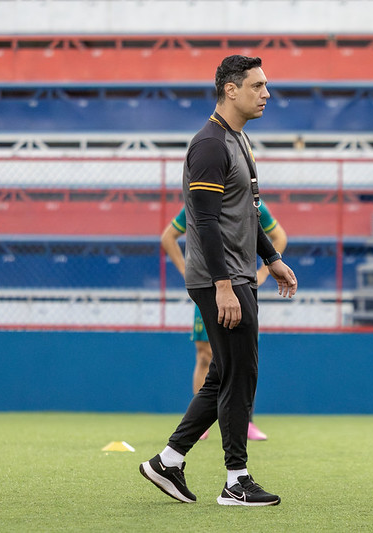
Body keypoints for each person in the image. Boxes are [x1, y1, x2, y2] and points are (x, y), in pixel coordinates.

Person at [139, 55, 297, 506]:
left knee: (225, 372)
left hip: (235, 273)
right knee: (240, 373)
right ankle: (236, 481)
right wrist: (225, 285)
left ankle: (168, 460)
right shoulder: (209, 144)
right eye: (258, 85)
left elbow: (245, 214)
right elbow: (204, 223)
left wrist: (273, 257)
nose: (267, 93)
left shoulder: (238, 140)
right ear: (230, 89)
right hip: (221, 279)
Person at [160, 203, 287, 441]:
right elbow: (169, 237)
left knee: (245, 354)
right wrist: (187, 271)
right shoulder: (199, 201)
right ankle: (201, 424)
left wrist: (263, 272)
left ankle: (246, 421)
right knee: (204, 354)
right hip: (209, 286)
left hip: (242, 284)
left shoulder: (254, 206)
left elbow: (279, 237)